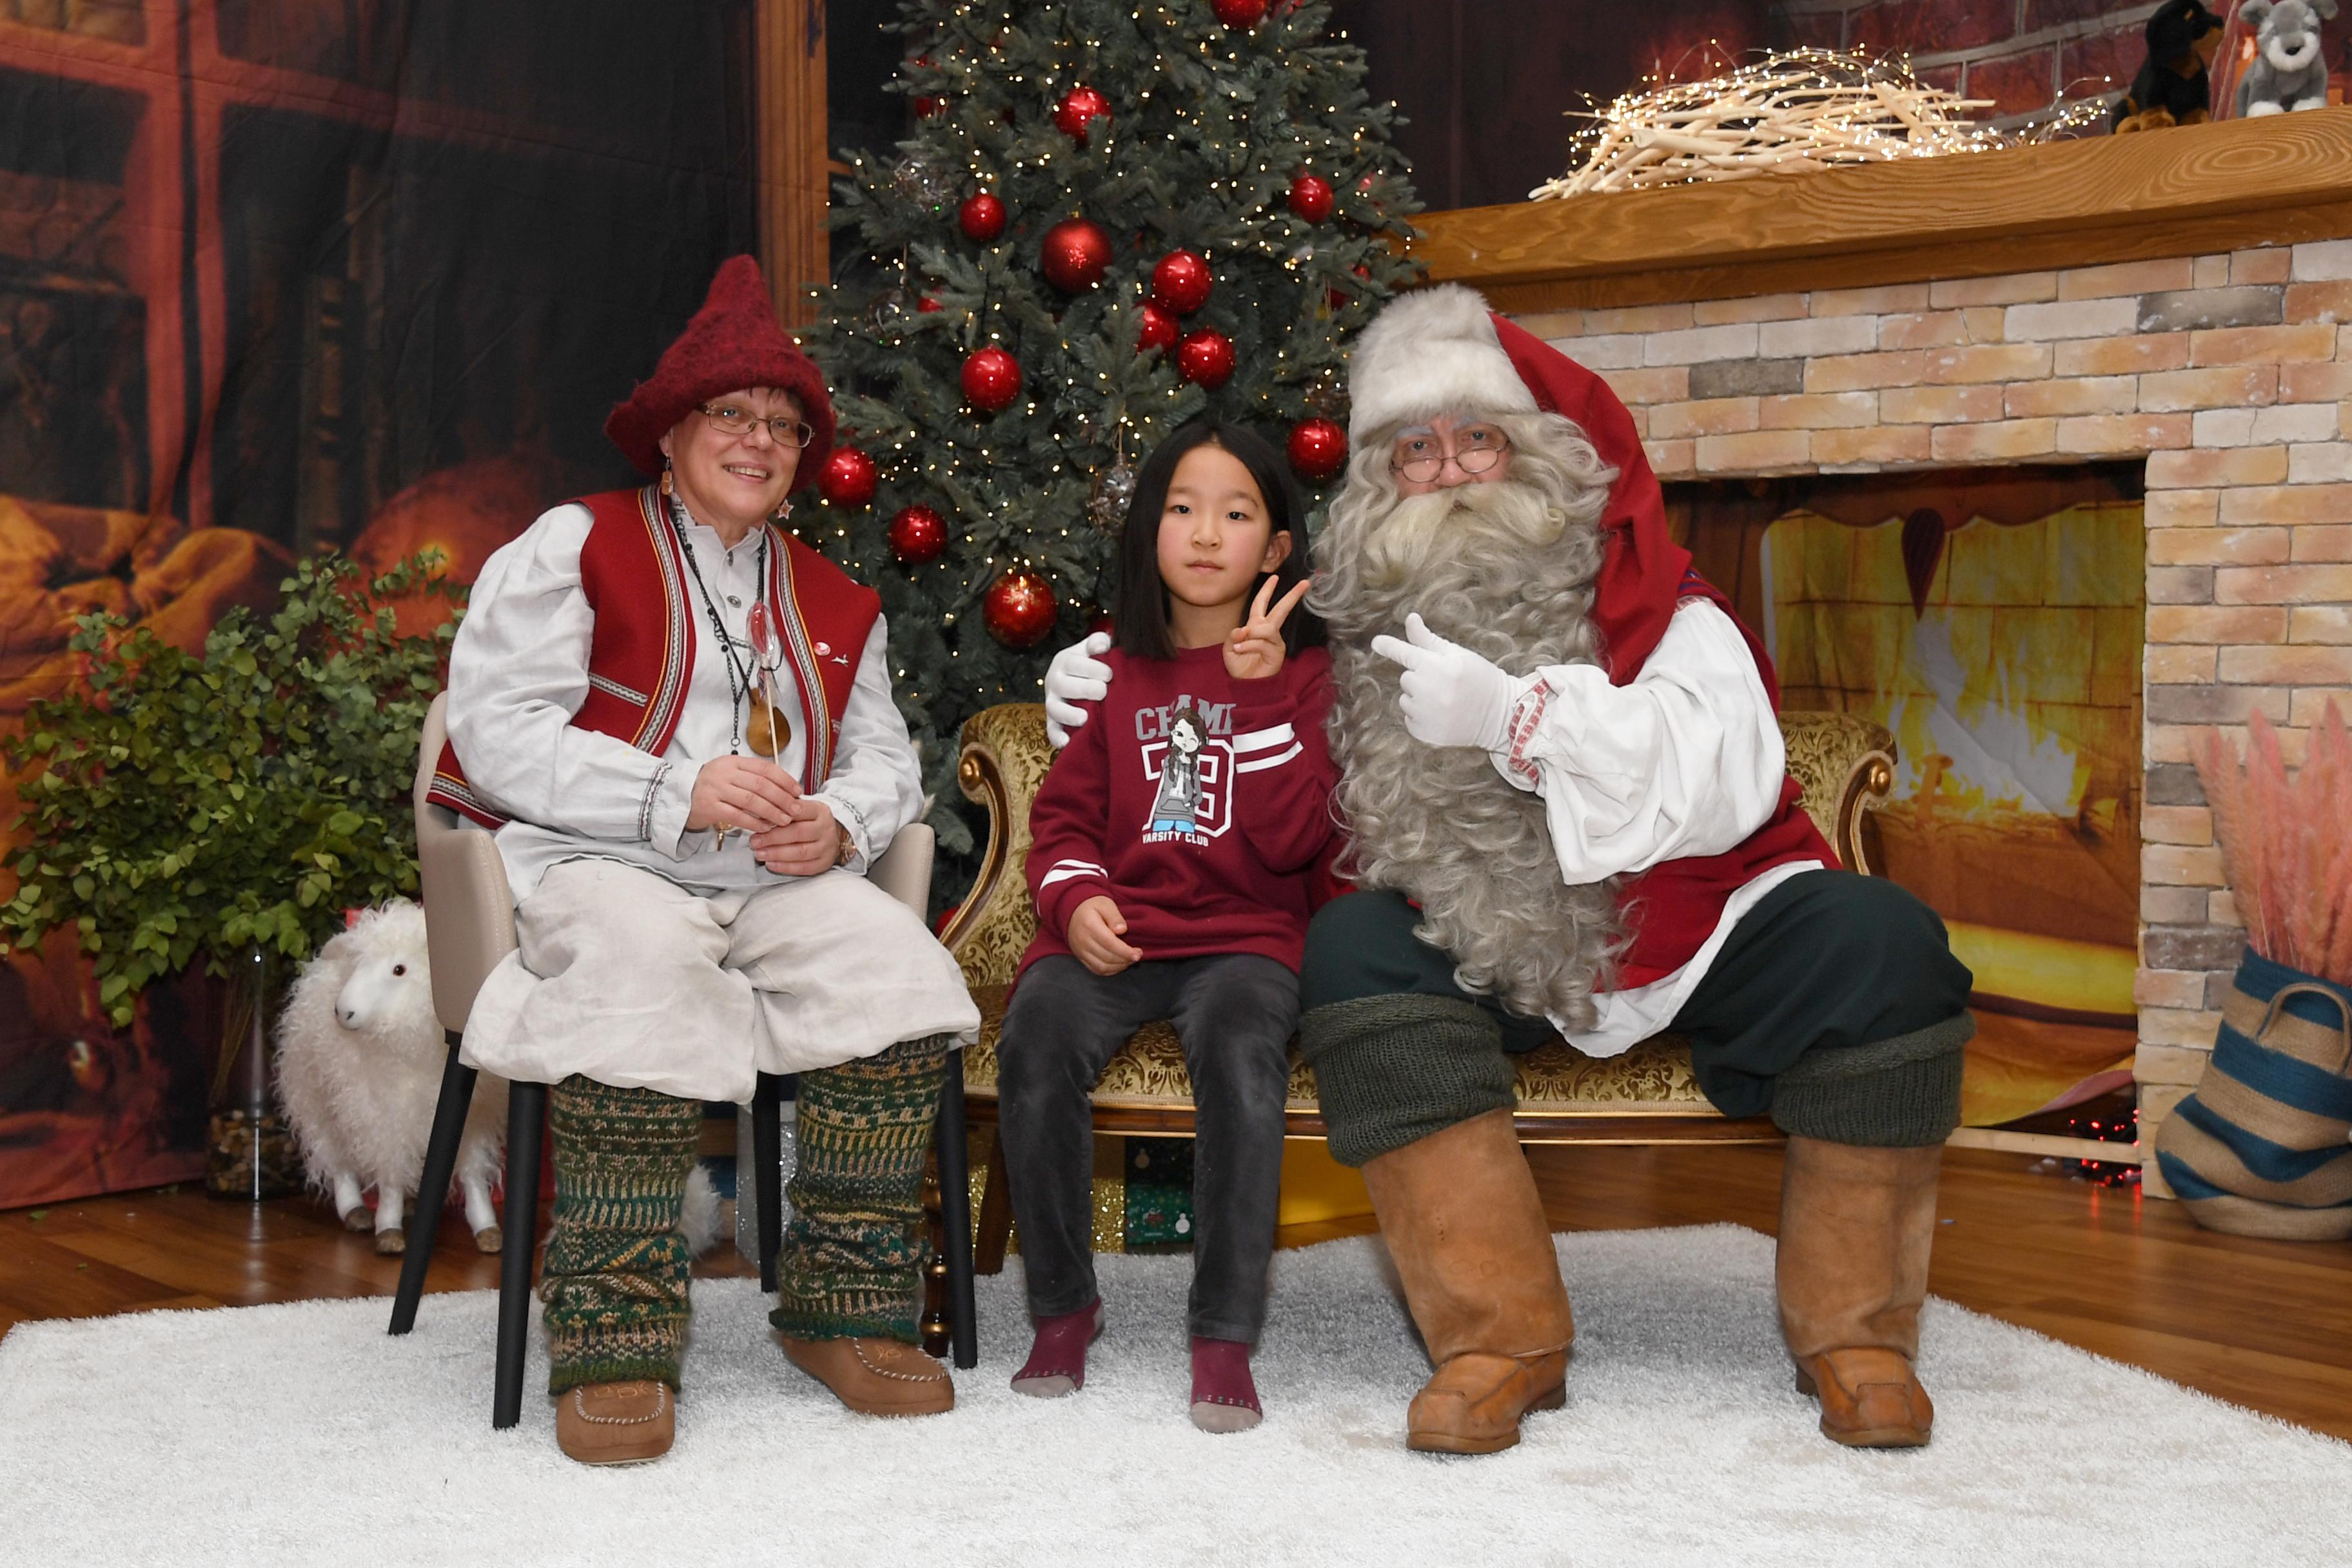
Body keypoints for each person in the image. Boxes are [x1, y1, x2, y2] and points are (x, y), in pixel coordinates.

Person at [1044, 285, 1975, 1456]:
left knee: (1885, 945)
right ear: (1379, 484)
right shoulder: (1342, 631)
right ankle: (1497, 1339)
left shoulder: (1663, 607)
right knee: (1358, 951)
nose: (1450, 471)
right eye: (1415, 451)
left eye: (1476, 438)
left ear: (1537, 457)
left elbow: (1720, 781)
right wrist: (1102, 694)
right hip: (1481, 942)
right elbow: (1224, 743)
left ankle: (1859, 1338)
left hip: (1687, 929)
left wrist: (1517, 717)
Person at [433, 256, 980, 1465]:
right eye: (734, 415)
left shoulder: (840, 600)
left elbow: (889, 758)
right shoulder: (573, 542)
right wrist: (674, 791)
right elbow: (497, 731)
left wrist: (836, 822)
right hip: (599, 866)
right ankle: (615, 1336)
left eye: (784, 427)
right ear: (673, 434)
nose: (761, 441)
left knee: (893, 970)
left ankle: (843, 1311)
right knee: (637, 961)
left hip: (773, 883)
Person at [999, 420, 1333, 1433]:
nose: (1204, 534)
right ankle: (1063, 1307)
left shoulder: (1308, 682)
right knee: (1036, 1034)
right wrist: (1076, 899)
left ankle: (1223, 1331)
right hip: (1118, 933)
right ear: (1151, 530)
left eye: (1236, 515)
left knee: (1240, 1048)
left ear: (1275, 550)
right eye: (1183, 509)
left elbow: (1293, 842)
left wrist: (1262, 690)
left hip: (1246, 938)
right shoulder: (1119, 677)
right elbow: (1059, 825)